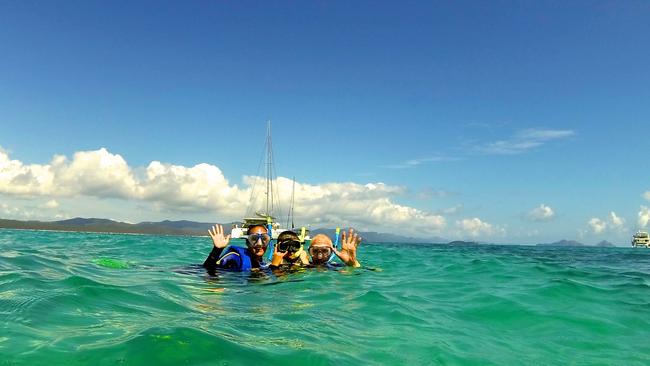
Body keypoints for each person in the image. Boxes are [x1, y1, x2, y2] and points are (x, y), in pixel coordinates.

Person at [271, 228, 362, 268]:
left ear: (332, 252)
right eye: (314, 251)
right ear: (309, 251)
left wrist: (352, 263)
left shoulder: (334, 267)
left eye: (325, 251)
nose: (319, 256)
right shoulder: (303, 265)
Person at [202, 224, 270, 272]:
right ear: (247, 242)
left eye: (264, 239)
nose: (259, 244)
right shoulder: (234, 257)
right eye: (254, 239)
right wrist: (217, 250)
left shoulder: (262, 262)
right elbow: (206, 269)